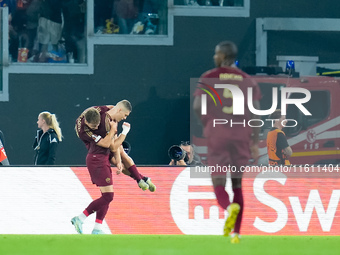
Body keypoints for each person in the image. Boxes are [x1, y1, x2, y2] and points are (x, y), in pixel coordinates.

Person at [193, 40, 261, 244]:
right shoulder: (247, 80)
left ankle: (228, 207)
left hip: (218, 133)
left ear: (223, 56)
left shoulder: (209, 77)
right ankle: (236, 234)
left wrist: (207, 122)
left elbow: (197, 106)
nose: (214, 57)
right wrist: (255, 142)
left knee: (218, 181)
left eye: (216, 54)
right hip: (241, 136)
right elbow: (256, 112)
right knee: (238, 184)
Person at [71, 100, 156, 234]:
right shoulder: (90, 130)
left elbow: (111, 108)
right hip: (97, 157)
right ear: (87, 123)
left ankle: (97, 228)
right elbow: (110, 145)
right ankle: (80, 218)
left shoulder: (102, 111)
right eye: (125, 115)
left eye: (97, 124)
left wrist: (118, 159)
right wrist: (123, 132)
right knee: (108, 196)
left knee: (107, 192)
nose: (96, 126)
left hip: (101, 156)